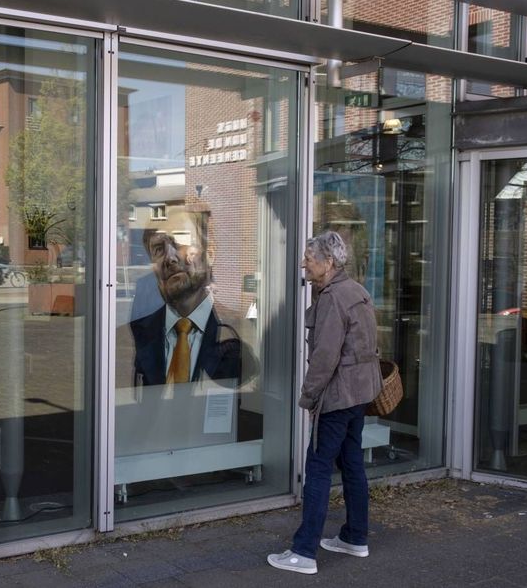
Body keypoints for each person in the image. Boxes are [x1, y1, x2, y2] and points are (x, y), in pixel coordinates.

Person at [268, 230, 382, 575]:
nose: (304, 262)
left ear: (328, 263)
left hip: (338, 395)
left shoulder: (332, 298)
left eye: (309, 257)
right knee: (352, 464)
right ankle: (354, 538)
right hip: (360, 394)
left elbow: (324, 358)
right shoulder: (357, 291)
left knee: (317, 468)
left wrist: (308, 398)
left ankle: (303, 552)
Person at [126, 208, 245, 386]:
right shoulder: (144, 330)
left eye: (181, 241)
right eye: (158, 249)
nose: (170, 258)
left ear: (210, 254)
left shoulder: (232, 331)